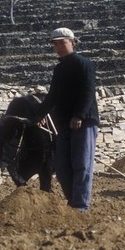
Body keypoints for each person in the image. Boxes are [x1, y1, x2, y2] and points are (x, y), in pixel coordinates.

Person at [36, 27, 99, 212]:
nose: (59, 47)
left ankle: (80, 206)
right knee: (62, 168)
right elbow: (52, 96)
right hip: (64, 123)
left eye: (62, 42)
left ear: (73, 42)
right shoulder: (59, 69)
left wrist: (79, 115)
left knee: (81, 164)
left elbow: (88, 91)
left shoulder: (84, 64)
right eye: (55, 44)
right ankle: (73, 202)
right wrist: (39, 114)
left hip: (83, 121)